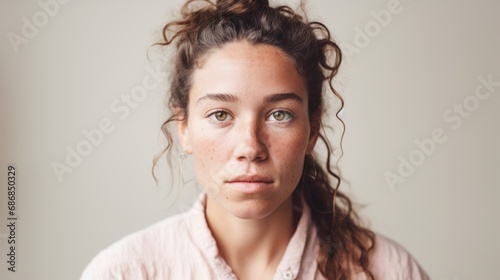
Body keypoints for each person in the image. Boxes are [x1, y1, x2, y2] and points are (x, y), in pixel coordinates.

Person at [81, 0, 429, 279]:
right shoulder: (123, 272)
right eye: (220, 115)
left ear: (313, 129)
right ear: (183, 127)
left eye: (280, 114)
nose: (250, 147)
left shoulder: (386, 271)